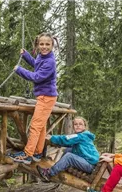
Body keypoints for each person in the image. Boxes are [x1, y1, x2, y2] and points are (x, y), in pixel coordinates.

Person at [9, 32, 59, 165]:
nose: (44, 47)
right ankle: (37, 152)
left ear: (52, 45)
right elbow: (36, 63)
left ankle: (28, 154)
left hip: (47, 98)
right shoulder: (42, 57)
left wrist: (19, 70)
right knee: (40, 126)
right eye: (41, 44)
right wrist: (26, 56)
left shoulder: (50, 61)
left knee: (35, 126)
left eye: (47, 44)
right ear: (37, 45)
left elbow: (37, 77)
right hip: (44, 96)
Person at [36, 117, 100, 182]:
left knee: (69, 156)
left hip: (90, 166)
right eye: (75, 124)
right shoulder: (82, 136)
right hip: (88, 162)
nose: (78, 126)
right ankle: (62, 166)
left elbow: (67, 139)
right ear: (73, 126)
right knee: (68, 150)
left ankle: (48, 173)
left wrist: (52, 137)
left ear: (84, 127)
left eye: (80, 124)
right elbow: (69, 143)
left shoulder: (82, 136)